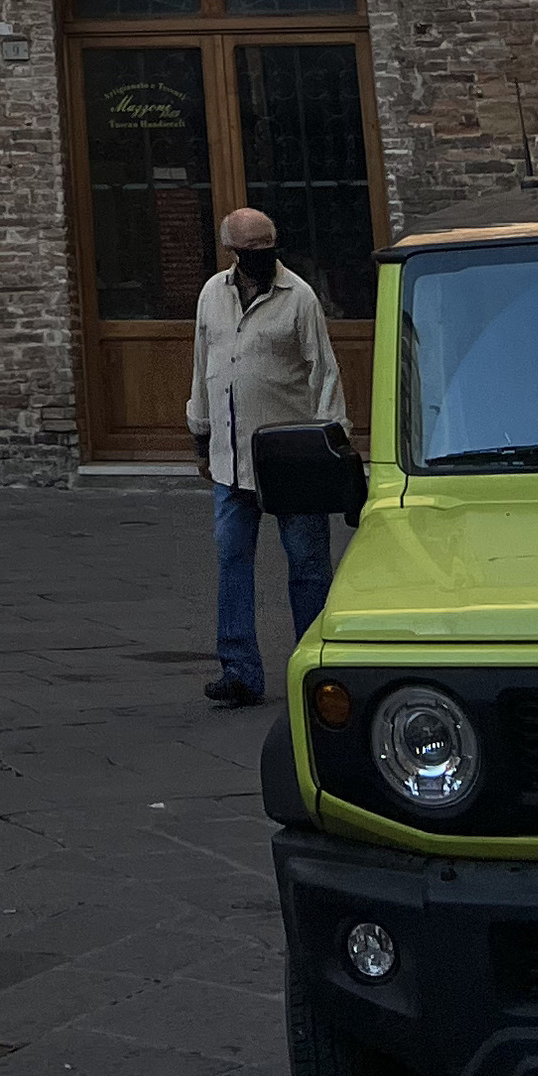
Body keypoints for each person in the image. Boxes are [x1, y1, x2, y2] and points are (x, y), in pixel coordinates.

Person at [188, 202, 346, 707]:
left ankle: (315, 669)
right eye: (249, 250)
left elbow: (324, 372)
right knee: (231, 561)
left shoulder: (298, 297)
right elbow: (202, 365)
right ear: (230, 251)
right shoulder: (212, 294)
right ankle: (238, 670)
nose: (259, 257)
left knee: (307, 566)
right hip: (230, 455)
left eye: (266, 248)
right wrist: (200, 432)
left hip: (291, 459)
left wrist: (335, 448)